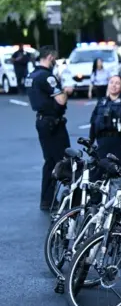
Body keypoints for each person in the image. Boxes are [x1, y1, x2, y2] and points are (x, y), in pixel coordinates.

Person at [25, 46, 73, 210]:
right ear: (50, 57)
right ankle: (74, 197)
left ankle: (47, 199)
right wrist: (66, 91)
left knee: (50, 161)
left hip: (42, 121)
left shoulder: (31, 76)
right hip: (53, 123)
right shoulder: (47, 77)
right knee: (65, 160)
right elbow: (60, 100)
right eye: (55, 58)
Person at [89, 75, 121, 161]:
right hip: (102, 142)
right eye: (111, 82)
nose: (114, 85)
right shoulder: (101, 102)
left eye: (117, 83)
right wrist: (90, 142)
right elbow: (94, 122)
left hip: (119, 142)